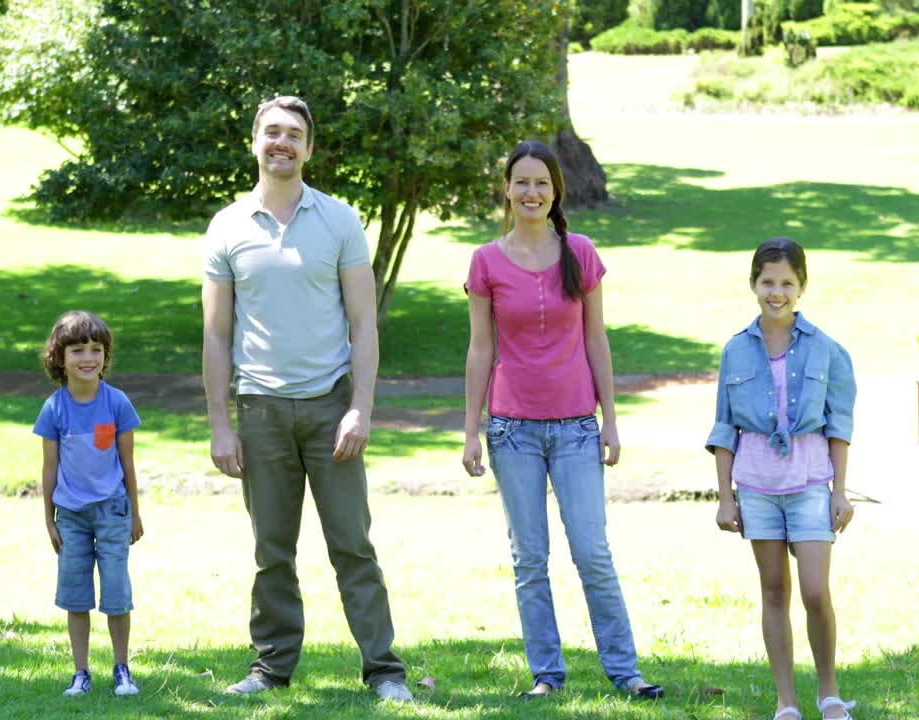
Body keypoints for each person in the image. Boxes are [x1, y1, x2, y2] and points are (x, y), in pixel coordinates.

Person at [201, 95, 411, 702]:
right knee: (272, 552)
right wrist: (220, 423)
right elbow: (216, 335)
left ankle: (385, 672)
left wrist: (360, 407)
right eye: (272, 132)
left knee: (353, 546)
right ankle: (270, 669)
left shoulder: (341, 222)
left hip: (330, 407)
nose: (282, 143)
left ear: (309, 148)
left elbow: (364, 325)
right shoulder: (227, 227)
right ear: (255, 141)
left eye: (294, 134)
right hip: (260, 409)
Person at [461, 140, 663, 700]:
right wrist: (471, 429)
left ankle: (626, 673)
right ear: (506, 188)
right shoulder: (485, 261)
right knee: (530, 558)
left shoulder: (581, 251)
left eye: (542, 184)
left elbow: (596, 339)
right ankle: (547, 675)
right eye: (521, 182)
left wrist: (611, 420)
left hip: (576, 425)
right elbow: (480, 350)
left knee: (592, 551)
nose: (532, 193)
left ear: (556, 192)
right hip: (510, 428)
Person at [706, 237, 858, 720]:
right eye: (767, 282)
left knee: (815, 590)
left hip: (812, 481)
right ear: (754, 284)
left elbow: (839, 424)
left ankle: (829, 693)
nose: (776, 292)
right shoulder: (734, 350)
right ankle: (786, 702)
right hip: (756, 487)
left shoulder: (828, 350)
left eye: (786, 283)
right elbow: (723, 427)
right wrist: (725, 498)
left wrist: (840, 491)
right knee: (774, 590)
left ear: (802, 286)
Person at [34, 310, 144, 698]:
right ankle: (81, 673)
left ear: (105, 356)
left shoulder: (117, 404)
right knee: (76, 595)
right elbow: (49, 468)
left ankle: (122, 669)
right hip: (72, 518)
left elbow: (127, 462)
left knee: (116, 592)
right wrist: (49, 520)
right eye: (78, 349)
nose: (88, 357)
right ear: (59, 358)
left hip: (113, 511)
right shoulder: (54, 409)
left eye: (96, 349)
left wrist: (135, 512)